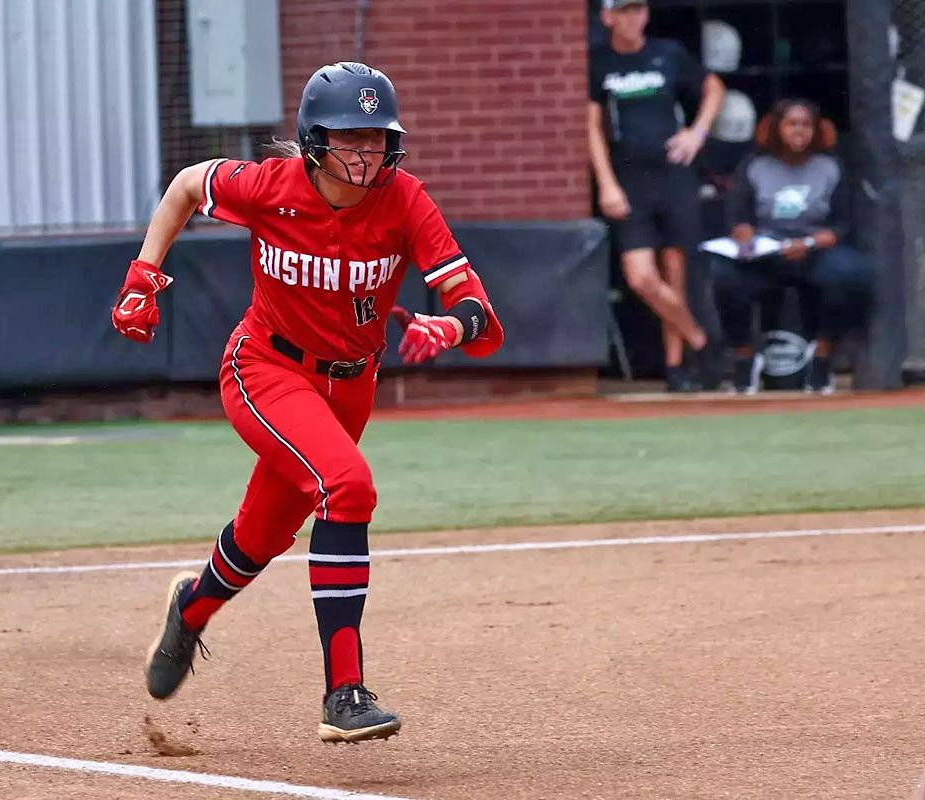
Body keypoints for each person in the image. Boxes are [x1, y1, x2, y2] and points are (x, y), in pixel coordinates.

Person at [111, 61, 504, 743]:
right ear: (315, 140)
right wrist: (143, 276)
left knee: (261, 535)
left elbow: (473, 303)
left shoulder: (405, 199)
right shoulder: (270, 185)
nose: (364, 153)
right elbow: (185, 186)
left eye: (376, 138)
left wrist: (450, 325)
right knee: (347, 486)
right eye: (349, 137)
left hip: (349, 387)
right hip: (264, 368)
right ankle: (343, 694)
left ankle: (190, 610)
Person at [588, 0, 726, 391]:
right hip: (629, 178)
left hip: (673, 174)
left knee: (675, 270)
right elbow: (591, 127)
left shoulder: (668, 53)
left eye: (638, 10)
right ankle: (702, 341)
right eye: (624, 12)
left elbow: (713, 88)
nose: (632, 19)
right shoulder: (599, 62)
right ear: (608, 18)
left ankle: (676, 367)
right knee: (641, 277)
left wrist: (697, 133)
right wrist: (607, 183)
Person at [714, 99, 874, 394]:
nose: (799, 131)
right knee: (724, 275)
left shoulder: (830, 165)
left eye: (806, 125)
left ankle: (822, 356)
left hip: (814, 251)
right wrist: (746, 237)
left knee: (851, 273)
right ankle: (745, 358)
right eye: (791, 124)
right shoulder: (755, 164)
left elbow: (842, 224)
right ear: (777, 127)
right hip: (768, 253)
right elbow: (739, 217)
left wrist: (809, 242)